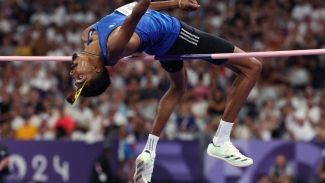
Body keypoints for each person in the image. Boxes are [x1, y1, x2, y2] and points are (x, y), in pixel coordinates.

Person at [69, 0, 260, 182]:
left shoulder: (87, 34)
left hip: (159, 40)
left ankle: (149, 152)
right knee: (252, 67)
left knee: (178, 87)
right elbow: (137, 12)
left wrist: (177, 4)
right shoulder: (114, 48)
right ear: (96, 69)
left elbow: (132, 7)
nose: (72, 72)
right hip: (173, 33)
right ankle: (221, 141)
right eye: (79, 78)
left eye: (74, 77)